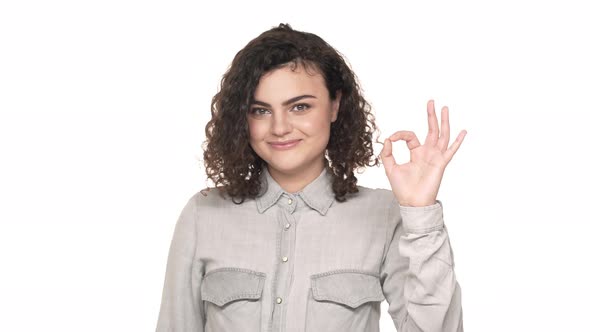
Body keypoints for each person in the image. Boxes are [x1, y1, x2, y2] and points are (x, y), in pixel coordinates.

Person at [155, 23, 466, 332]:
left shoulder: (383, 215)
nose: (279, 127)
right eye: (260, 111)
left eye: (299, 107)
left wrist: (420, 212)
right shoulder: (203, 214)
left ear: (335, 105)